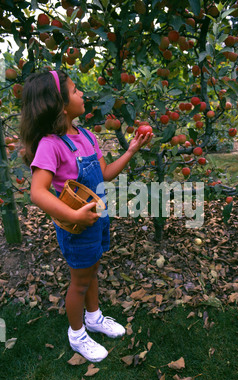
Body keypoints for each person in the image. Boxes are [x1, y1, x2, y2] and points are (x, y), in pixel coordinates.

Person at [20, 70, 153, 362]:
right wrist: (75, 217)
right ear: (61, 105)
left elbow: (104, 175)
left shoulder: (86, 136)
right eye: (76, 90)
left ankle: (94, 317)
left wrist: (130, 151)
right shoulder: (50, 145)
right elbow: (38, 192)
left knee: (92, 271)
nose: (83, 94)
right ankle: (77, 334)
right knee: (79, 282)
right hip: (77, 227)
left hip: (95, 220)